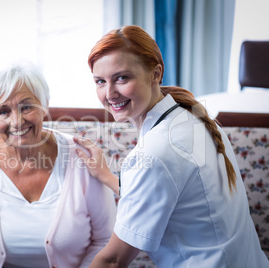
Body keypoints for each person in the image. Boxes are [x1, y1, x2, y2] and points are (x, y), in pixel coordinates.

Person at [75, 25, 269, 267]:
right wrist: (105, 175)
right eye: (100, 81)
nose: (110, 93)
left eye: (122, 77)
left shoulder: (155, 153)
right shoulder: (197, 118)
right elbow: (164, 195)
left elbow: (113, 260)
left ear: (156, 74)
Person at [0, 62, 116, 268]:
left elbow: (106, 241)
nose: (17, 121)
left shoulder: (83, 158)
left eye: (26, 107)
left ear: (44, 106)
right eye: (3, 112)